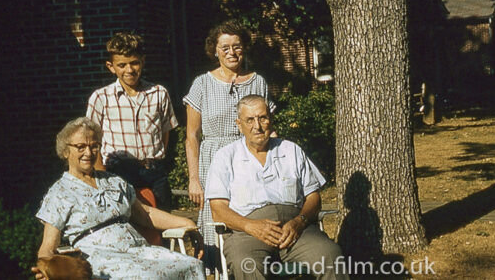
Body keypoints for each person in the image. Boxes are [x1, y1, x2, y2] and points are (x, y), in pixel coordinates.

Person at [32, 117, 205, 280]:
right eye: (80, 147)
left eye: (94, 146)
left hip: (138, 250)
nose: (88, 152)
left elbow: (145, 214)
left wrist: (186, 223)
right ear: (65, 151)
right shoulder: (60, 193)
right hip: (100, 258)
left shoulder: (113, 181)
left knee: (191, 265)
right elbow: (48, 245)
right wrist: (46, 267)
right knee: (148, 277)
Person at [206, 95, 347, 280]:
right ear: (239, 125)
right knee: (246, 264)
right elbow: (218, 210)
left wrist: (300, 221)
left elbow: (313, 197)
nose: (257, 126)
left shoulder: (291, 150)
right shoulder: (225, 157)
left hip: (295, 230)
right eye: (250, 120)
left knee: (330, 255)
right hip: (248, 232)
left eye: (262, 118)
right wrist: (250, 226)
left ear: (270, 120)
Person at [184, 20, 275, 250]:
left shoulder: (259, 81)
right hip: (214, 158)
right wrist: (194, 179)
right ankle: (218, 267)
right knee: (216, 213)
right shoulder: (202, 84)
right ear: (215, 50)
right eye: (225, 48)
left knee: (253, 208)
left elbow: (269, 128)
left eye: (237, 46)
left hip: (250, 156)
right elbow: (192, 136)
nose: (231, 52)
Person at [86, 32, 178, 210]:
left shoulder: (159, 93)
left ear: (142, 61)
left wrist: (158, 160)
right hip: (118, 171)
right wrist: (100, 175)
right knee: (126, 222)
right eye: (122, 65)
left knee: (164, 223)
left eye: (134, 63)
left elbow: (166, 131)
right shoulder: (101, 97)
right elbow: (91, 140)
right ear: (111, 67)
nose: (129, 70)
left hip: (154, 171)